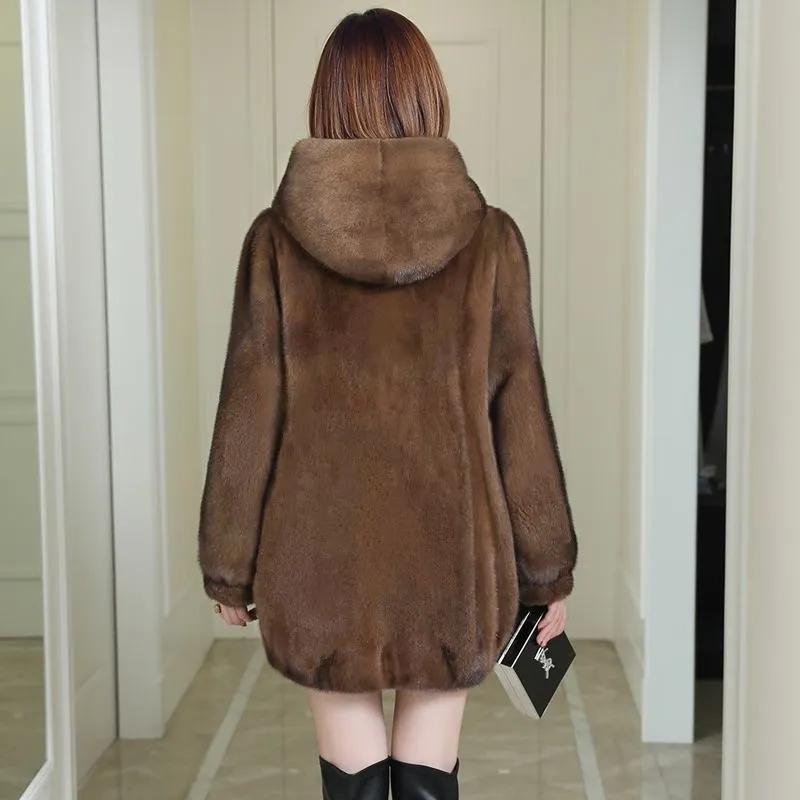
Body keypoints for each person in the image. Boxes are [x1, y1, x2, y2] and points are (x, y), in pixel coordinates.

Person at [198, 8, 577, 800]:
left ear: (326, 101)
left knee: (353, 782)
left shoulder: (274, 242)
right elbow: (519, 412)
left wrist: (228, 564)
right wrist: (547, 570)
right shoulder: (491, 241)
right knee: (429, 777)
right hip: (452, 559)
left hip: (318, 562)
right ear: (428, 97)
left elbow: (249, 411)